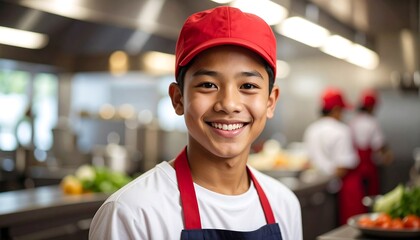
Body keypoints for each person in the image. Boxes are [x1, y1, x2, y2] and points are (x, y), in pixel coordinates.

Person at [89, 6, 302, 240]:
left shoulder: (284, 203)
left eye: (248, 86)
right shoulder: (133, 213)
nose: (229, 104)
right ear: (178, 99)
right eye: (208, 85)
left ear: (270, 102)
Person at [303, 87, 364, 225]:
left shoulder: (311, 129)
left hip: (316, 187)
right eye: (342, 110)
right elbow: (342, 168)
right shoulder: (341, 130)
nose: (342, 114)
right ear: (336, 109)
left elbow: (309, 161)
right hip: (338, 190)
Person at [349, 89, 393, 197]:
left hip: (355, 168)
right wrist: (387, 154)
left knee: (360, 194)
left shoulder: (353, 121)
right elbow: (379, 145)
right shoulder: (372, 122)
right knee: (371, 194)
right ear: (370, 107)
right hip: (369, 166)